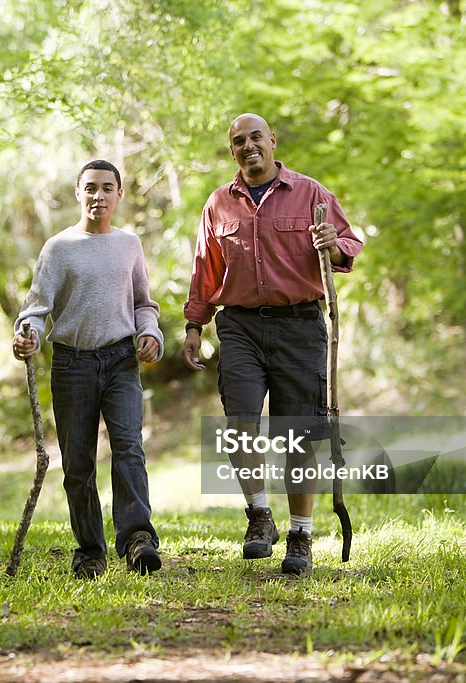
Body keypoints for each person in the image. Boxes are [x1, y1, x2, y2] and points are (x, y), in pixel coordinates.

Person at [182, 113, 363, 575]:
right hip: (240, 326)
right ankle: (259, 517)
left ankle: (301, 534)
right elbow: (205, 270)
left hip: (300, 325)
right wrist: (194, 326)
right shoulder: (218, 204)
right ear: (232, 151)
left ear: (272, 141)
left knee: (298, 436)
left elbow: (348, 244)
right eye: (238, 141)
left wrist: (333, 243)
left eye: (255, 137)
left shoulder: (310, 193)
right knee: (240, 420)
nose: (248, 146)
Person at [13, 160, 163, 580]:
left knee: (129, 448)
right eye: (91, 188)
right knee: (78, 462)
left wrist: (150, 333)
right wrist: (26, 335)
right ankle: (91, 549)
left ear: (119, 195)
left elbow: (142, 304)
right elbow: (36, 309)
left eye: (107, 188)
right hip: (72, 363)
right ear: (79, 193)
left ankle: (137, 540)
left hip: (120, 360)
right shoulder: (58, 248)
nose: (99, 196)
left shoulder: (129, 244)